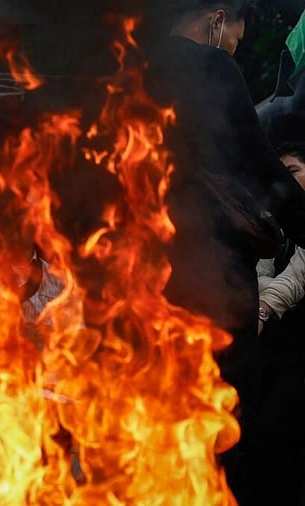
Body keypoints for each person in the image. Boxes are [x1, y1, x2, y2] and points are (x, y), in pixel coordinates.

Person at [144, 2, 305, 503]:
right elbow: (260, 168)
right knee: (221, 432)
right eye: (237, 32)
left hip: (139, 286)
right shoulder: (209, 66)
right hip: (208, 286)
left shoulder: (129, 74)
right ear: (215, 19)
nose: (236, 43)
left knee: (149, 431)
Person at [249, 141, 305, 505]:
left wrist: (264, 306)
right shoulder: (275, 222)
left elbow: (299, 275)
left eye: (294, 173)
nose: (285, 183)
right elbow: (255, 272)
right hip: (273, 351)